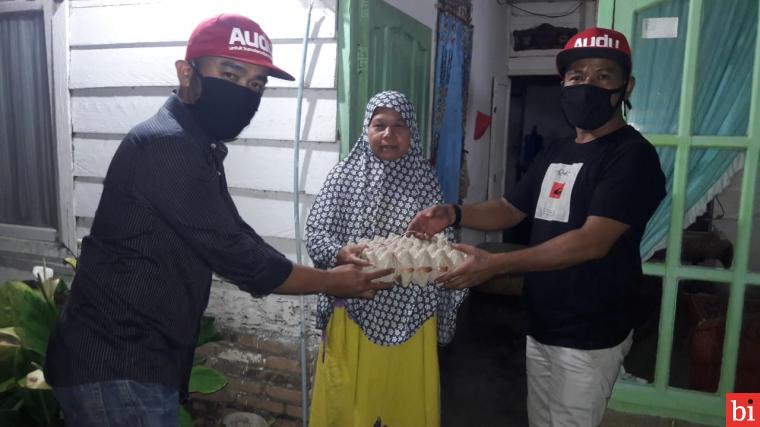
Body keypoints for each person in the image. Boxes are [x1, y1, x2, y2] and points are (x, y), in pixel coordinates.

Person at [44, 14, 391, 427]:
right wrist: (334, 282)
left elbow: (234, 232)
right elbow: (240, 257)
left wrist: (331, 262)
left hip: (135, 360)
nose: (244, 93)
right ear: (185, 73)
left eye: (256, 84)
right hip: (117, 362)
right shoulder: (166, 146)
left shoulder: (195, 144)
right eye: (230, 73)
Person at [408, 27, 667, 426]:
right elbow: (511, 209)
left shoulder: (632, 157)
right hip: (542, 321)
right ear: (564, 82)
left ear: (625, 86)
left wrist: (495, 264)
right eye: (577, 76)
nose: (588, 85)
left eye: (603, 76)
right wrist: (454, 213)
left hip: (590, 331)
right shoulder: (558, 150)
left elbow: (591, 241)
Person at [306, 91, 467, 427]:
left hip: (411, 313)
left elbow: (443, 243)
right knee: (348, 403)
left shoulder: (425, 181)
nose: (388, 134)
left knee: (402, 400)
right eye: (379, 125)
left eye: (399, 126)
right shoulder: (343, 177)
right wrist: (339, 253)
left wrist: (436, 257)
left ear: (412, 134)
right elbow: (317, 234)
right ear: (366, 129)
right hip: (353, 307)